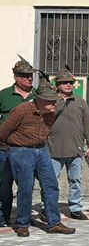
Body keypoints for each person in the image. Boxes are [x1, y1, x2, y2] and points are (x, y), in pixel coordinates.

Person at [0, 81, 74, 237]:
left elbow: (47, 130)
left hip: (41, 150)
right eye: (51, 100)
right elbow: (4, 132)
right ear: (40, 100)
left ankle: (54, 222)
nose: (55, 103)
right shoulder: (21, 111)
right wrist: (12, 148)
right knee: (26, 188)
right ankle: (22, 223)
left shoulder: (51, 112)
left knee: (51, 185)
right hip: (21, 151)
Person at [47, 66, 89, 220]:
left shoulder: (80, 102)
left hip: (76, 149)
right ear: (57, 85)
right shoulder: (51, 102)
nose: (68, 85)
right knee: (50, 181)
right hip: (54, 149)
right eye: (64, 82)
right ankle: (47, 207)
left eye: (70, 82)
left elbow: (88, 124)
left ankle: (75, 208)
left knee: (76, 180)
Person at [0, 56, 37, 227]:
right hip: (5, 148)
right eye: (24, 76)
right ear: (15, 77)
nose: (29, 78)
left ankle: (24, 216)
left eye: (30, 75)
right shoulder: (4, 95)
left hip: (29, 150)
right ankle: (3, 215)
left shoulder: (39, 95)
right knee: (3, 185)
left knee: (26, 186)